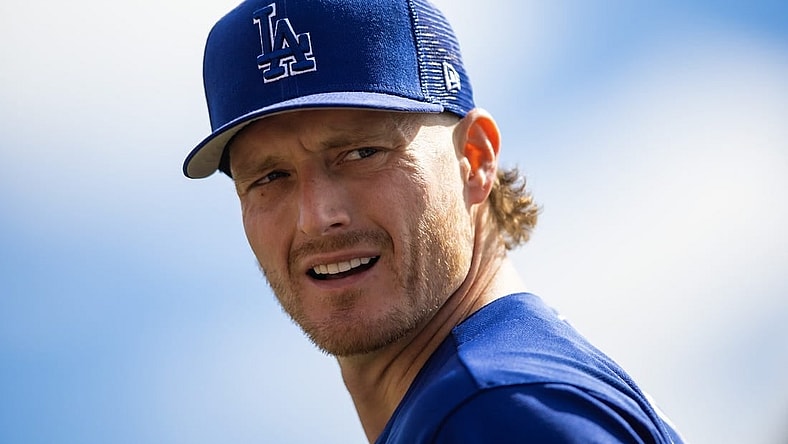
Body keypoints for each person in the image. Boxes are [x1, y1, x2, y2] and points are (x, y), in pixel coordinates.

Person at [183, 0, 684, 442]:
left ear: (475, 158)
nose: (317, 217)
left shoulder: (494, 409)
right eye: (270, 176)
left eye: (362, 152)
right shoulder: (503, 390)